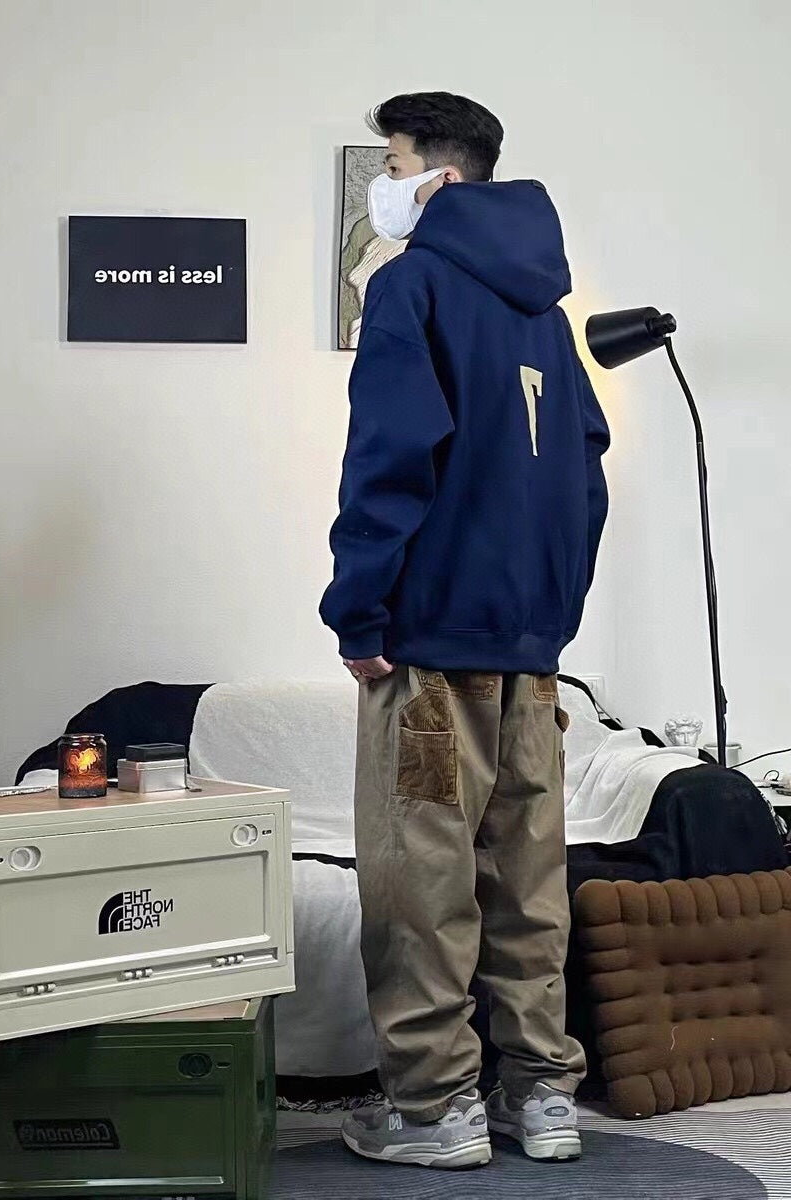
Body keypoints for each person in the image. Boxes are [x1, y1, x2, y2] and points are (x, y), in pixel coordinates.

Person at [320, 91, 610, 1170]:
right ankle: (541, 1096)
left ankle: (433, 1109)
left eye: (392, 164)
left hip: (431, 650)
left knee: (421, 879)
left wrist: (360, 611)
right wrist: (548, 618)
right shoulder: (547, 313)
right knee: (528, 880)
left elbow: (389, 460)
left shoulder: (412, 286)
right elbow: (586, 472)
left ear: (439, 177)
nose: (383, 185)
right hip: (529, 658)